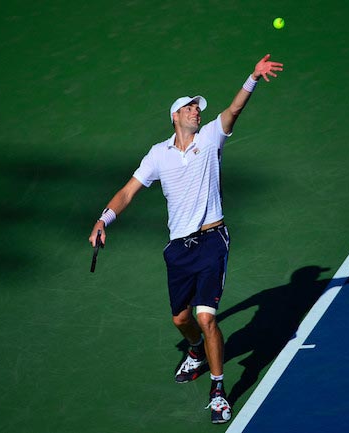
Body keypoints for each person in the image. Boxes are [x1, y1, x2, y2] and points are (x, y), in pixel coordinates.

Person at [88, 54, 283, 424]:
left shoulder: (211, 138)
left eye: (197, 107)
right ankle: (195, 350)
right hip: (178, 249)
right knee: (181, 320)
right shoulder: (157, 155)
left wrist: (252, 78)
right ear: (175, 117)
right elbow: (129, 192)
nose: (196, 110)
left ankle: (218, 391)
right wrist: (103, 220)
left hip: (212, 241)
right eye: (189, 107)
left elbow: (234, 110)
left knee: (206, 317)